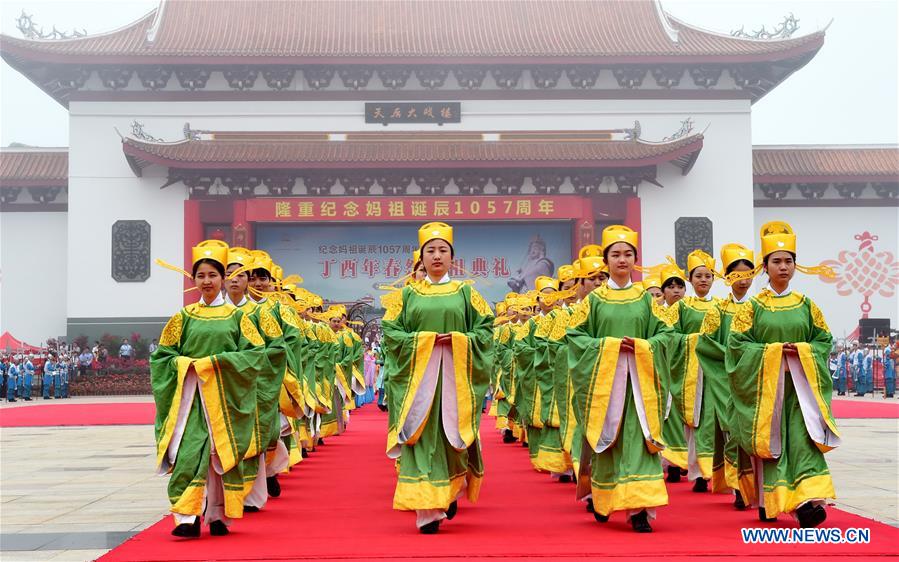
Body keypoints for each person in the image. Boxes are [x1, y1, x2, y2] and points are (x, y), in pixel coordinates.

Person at [381, 222, 494, 534]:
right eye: (430, 250)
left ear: (452, 257)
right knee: (421, 438)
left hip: (455, 380)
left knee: (450, 439)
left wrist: (458, 340)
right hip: (418, 382)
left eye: (443, 250)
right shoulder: (406, 295)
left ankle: (450, 489)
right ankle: (427, 511)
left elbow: (485, 330)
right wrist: (427, 341)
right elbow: (391, 332)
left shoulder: (467, 293)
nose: (437, 255)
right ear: (422, 256)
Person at [725, 221, 840, 528]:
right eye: (776, 261)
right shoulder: (752, 308)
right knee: (773, 446)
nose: (784, 266)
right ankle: (771, 502)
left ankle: (807, 502)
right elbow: (736, 347)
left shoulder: (807, 306)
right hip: (768, 392)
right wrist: (774, 353)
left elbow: (824, 341)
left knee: (803, 442)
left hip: (802, 390)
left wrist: (801, 352)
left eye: (789, 260)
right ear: (765, 267)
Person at [152, 239, 268, 538]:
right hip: (191, 399)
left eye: (213, 275)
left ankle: (218, 514)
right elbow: (162, 356)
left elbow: (255, 354)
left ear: (223, 279)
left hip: (225, 400)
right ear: (193, 279)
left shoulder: (238, 317)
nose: (207, 281)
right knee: (190, 452)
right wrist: (187, 366)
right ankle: (187, 516)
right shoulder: (183, 317)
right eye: (201, 275)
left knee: (222, 455)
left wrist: (214, 363)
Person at [567, 225, 673, 533]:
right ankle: (604, 498)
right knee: (609, 441)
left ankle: (640, 509)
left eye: (628, 254)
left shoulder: (645, 299)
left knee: (639, 442)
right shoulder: (594, 301)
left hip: (641, 387)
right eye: (616, 254)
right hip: (606, 387)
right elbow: (575, 337)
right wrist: (611, 347)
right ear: (606, 260)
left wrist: (640, 347)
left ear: (635, 260)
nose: (622, 260)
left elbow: (665, 334)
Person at [697, 243, 756, 510]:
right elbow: (706, 344)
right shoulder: (718, 311)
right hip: (726, 381)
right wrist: (734, 359)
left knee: (753, 433)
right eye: (736, 275)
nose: (742, 281)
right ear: (726, 277)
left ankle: (756, 485)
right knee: (732, 431)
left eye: (747, 275)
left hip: (756, 379)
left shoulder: (760, 308)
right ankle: (738, 486)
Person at [666, 250, 724, 494]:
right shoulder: (681, 308)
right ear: (690, 279)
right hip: (690, 372)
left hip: (715, 374)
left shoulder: (722, 307)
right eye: (698, 276)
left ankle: (717, 470)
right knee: (694, 422)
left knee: (716, 422)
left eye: (708, 276)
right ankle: (698, 472)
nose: (703, 280)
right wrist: (695, 341)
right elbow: (668, 336)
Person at [658, 264, 689, 482]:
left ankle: (681, 461)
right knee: (664, 416)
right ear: (663, 291)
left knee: (681, 416)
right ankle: (668, 461)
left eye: (680, 286)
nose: (676, 291)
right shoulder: (656, 313)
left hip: (685, 370)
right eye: (671, 287)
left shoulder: (690, 310)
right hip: (661, 370)